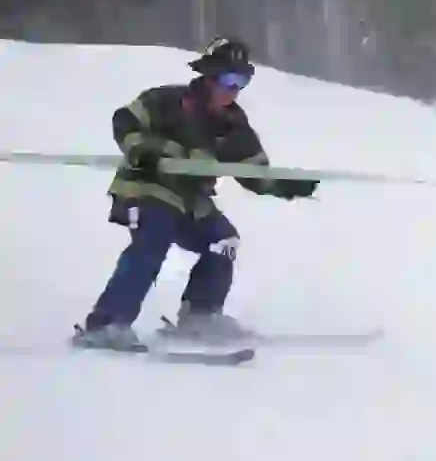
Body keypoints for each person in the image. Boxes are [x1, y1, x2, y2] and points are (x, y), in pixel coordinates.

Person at [71, 37, 318, 351]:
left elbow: (253, 172)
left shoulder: (234, 124)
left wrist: (285, 185)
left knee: (223, 241)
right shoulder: (169, 101)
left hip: (191, 200)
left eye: (243, 82)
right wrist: (146, 151)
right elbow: (125, 121)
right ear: (210, 75)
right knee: (153, 238)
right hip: (148, 188)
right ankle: (107, 323)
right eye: (229, 80)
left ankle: (200, 314)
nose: (234, 90)